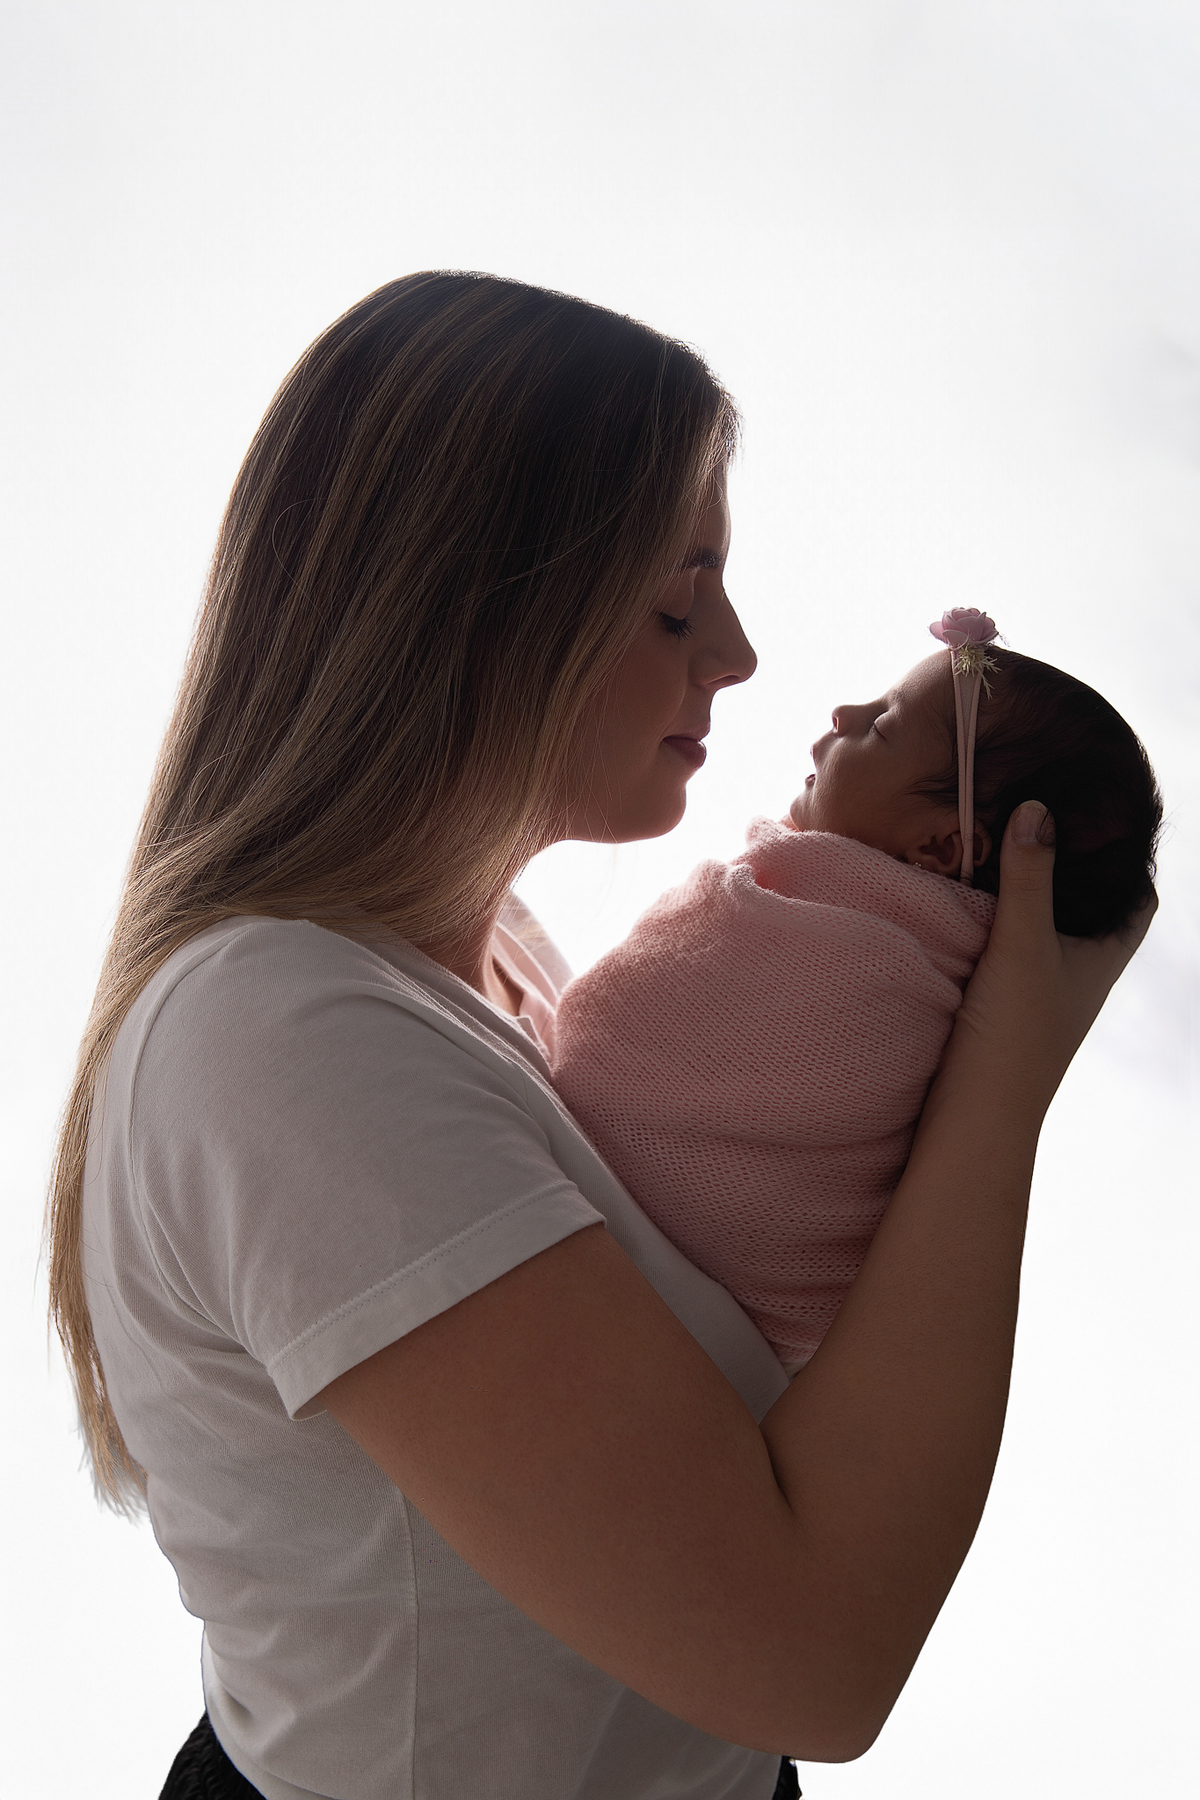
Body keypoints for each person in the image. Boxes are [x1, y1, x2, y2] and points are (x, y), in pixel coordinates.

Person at [43, 272, 1154, 1800]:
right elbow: (815, 1662)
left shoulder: (502, 979)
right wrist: (1006, 1077)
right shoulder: (281, 1035)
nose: (740, 654)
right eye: (678, 602)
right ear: (471, 612)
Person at [551, 624, 1163, 1375]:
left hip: (675, 1307)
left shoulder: (891, 973)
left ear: (941, 847)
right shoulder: (850, 925)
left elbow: (641, 1036)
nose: (844, 713)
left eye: (882, 726)